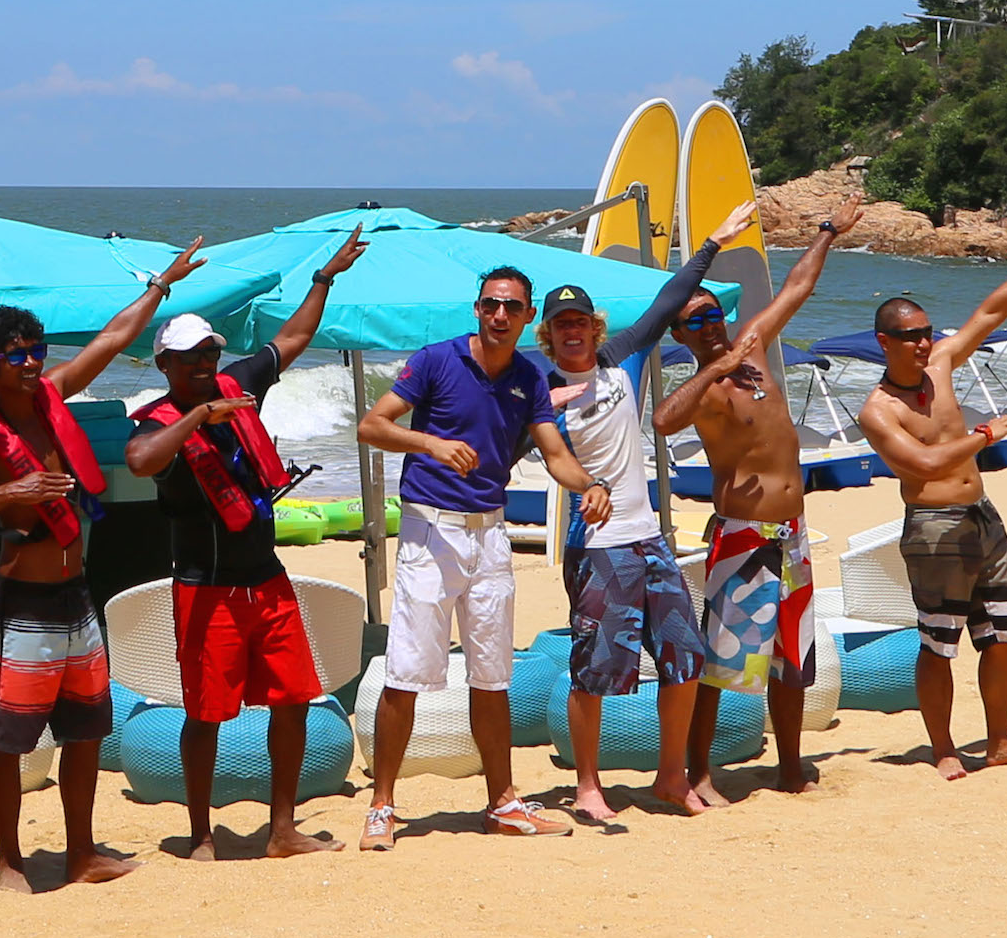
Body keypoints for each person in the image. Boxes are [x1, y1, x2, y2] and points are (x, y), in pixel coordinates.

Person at [0, 241, 209, 894]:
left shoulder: (54, 396)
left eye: (36, 351)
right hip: (22, 602)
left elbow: (113, 339)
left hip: (76, 595)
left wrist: (161, 286)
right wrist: (10, 495)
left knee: (86, 729)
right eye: (16, 355)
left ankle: (82, 852)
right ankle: (9, 861)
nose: (31, 363)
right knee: (14, 738)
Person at [124, 225, 368, 859]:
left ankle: (282, 830)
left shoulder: (239, 387)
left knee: (293, 704)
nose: (205, 367)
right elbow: (143, 460)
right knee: (205, 716)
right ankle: (202, 832)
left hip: (267, 579)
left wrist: (324, 279)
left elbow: (292, 339)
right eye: (191, 360)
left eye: (210, 355)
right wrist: (198, 418)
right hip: (206, 592)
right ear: (165, 366)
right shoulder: (161, 423)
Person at [354, 261, 604, 848]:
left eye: (512, 307)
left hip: (490, 536)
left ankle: (502, 802)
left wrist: (590, 485)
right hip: (429, 531)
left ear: (526, 316)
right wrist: (430, 443)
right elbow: (372, 425)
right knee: (406, 673)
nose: (499, 315)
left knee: (493, 675)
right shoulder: (438, 359)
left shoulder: (528, 378)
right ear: (478, 308)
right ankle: (382, 807)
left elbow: (554, 454)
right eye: (491, 304)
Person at [854, 230, 1007, 780]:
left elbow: (989, 314)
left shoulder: (942, 365)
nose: (923, 344)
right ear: (884, 342)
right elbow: (925, 466)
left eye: (927, 333)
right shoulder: (878, 411)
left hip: (983, 517)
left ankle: (1001, 740)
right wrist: (983, 436)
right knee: (939, 643)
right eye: (910, 336)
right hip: (934, 529)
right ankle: (943, 747)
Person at [536, 210, 737, 825]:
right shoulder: (537, 388)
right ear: (547, 336)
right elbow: (518, 449)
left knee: (684, 658)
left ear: (596, 330)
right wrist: (541, 411)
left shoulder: (622, 357)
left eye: (580, 323)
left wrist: (710, 245)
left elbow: (667, 299)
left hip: (648, 537)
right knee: (594, 669)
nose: (573, 333)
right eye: (561, 325)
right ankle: (588, 785)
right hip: (595, 546)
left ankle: (671, 776)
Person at [654, 206, 849, 796]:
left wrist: (827, 232)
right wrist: (718, 362)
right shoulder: (707, 383)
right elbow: (664, 421)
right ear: (680, 335)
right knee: (722, 663)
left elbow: (797, 286)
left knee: (793, 659)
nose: (709, 325)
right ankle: (700, 771)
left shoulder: (755, 348)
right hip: (745, 536)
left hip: (793, 532)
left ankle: (790, 766)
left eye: (713, 314)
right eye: (694, 321)